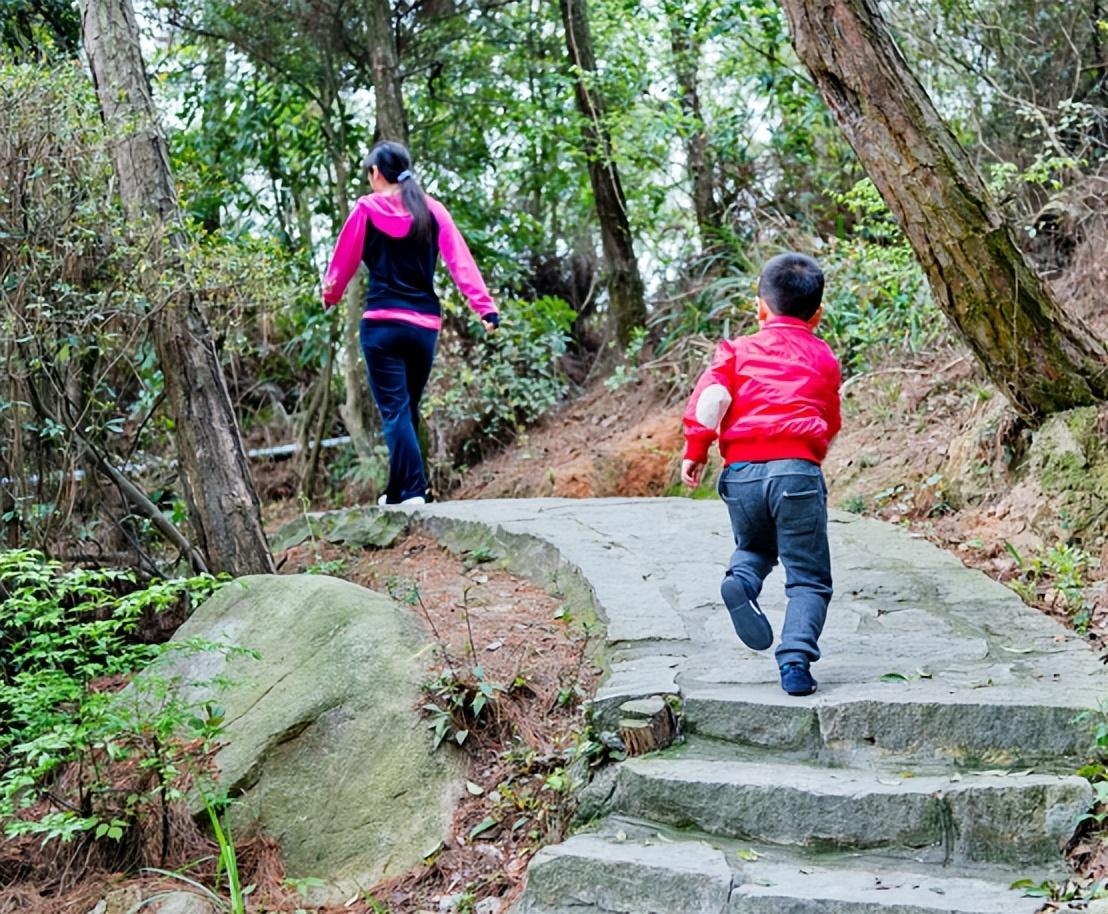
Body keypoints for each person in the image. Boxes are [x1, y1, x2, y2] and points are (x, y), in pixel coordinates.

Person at [681, 253, 841, 696]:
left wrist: (695, 451)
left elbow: (708, 400)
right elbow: (830, 417)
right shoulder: (824, 357)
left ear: (760, 308)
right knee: (808, 577)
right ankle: (795, 662)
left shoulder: (735, 351)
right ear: (818, 313)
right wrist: (809, 453)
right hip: (796, 474)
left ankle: (741, 582)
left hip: (743, 474)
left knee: (754, 546)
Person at [321, 141, 499, 505]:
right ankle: (396, 491)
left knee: (395, 412)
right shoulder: (432, 211)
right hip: (423, 328)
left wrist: (330, 295)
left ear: (376, 173)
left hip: (383, 326)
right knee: (406, 410)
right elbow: (460, 262)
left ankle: (416, 490)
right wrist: (485, 308)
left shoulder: (366, 210)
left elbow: (343, 262)